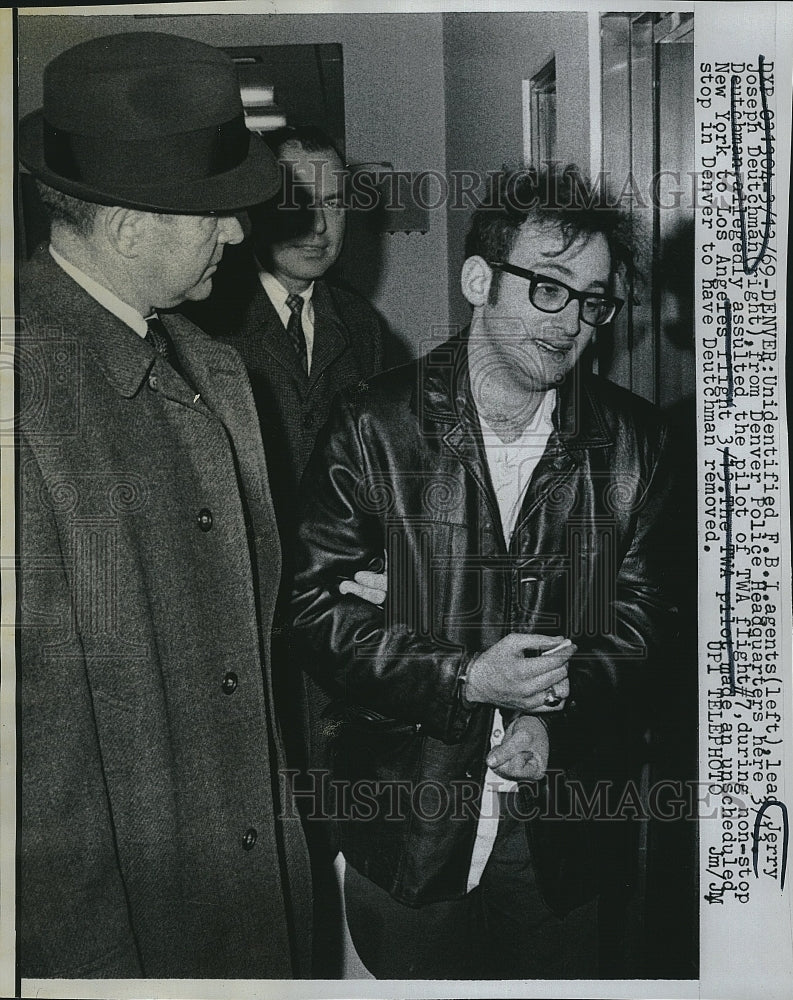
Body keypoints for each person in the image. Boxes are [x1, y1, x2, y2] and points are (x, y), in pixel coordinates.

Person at [289, 166, 676, 979]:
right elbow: (315, 613)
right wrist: (466, 677)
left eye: (592, 300)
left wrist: (550, 713)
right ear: (478, 280)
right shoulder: (373, 425)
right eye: (547, 287)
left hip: (561, 829)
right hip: (411, 816)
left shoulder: (630, 443)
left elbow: (641, 623)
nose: (571, 320)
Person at [17, 32, 311, 979]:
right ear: (130, 224)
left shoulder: (217, 372)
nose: (235, 233)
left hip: (253, 909)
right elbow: (37, 778)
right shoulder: (22, 399)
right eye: (214, 214)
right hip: (129, 942)